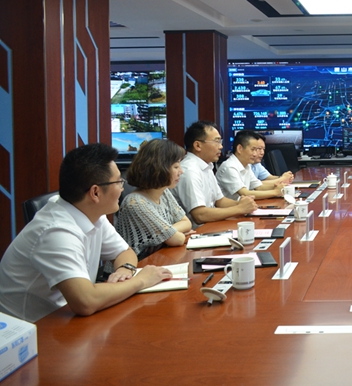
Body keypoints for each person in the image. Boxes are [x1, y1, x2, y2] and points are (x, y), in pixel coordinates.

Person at [0, 143, 172, 322]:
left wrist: (125, 270)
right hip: (36, 328)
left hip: (69, 318)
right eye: (119, 182)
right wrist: (141, 280)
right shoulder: (56, 231)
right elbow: (86, 301)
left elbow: (124, 252)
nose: (122, 188)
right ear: (95, 193)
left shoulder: (90, 212)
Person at [114, 139, 193, 259]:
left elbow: (187, 223)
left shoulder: (164, 192)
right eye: (176, 166)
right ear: (159, 168)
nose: (181, 171)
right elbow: (178, 239)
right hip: (133, 267)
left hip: (158, 259)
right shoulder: (135, 203)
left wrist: (166, 233)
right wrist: (170, 234)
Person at [172, 121, 257, 225]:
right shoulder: (189, 170)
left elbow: (220, 201)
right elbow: (200, 215)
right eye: (216, 141)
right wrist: (239, 208)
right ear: (198, 145)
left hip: (211, 226)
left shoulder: (206, 166)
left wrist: (242, 204)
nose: (221, 146)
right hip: (197, 231)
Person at [216, 130, 288, 200]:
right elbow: (245, 193)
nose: (255, 154)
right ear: (240, 149)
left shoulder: (246, 166)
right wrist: (275, 192)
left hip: (243, 206)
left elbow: (259, 186)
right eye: (253, 149)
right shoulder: (229, 167)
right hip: (231, 207)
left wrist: (282, 186)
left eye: (256, 150)